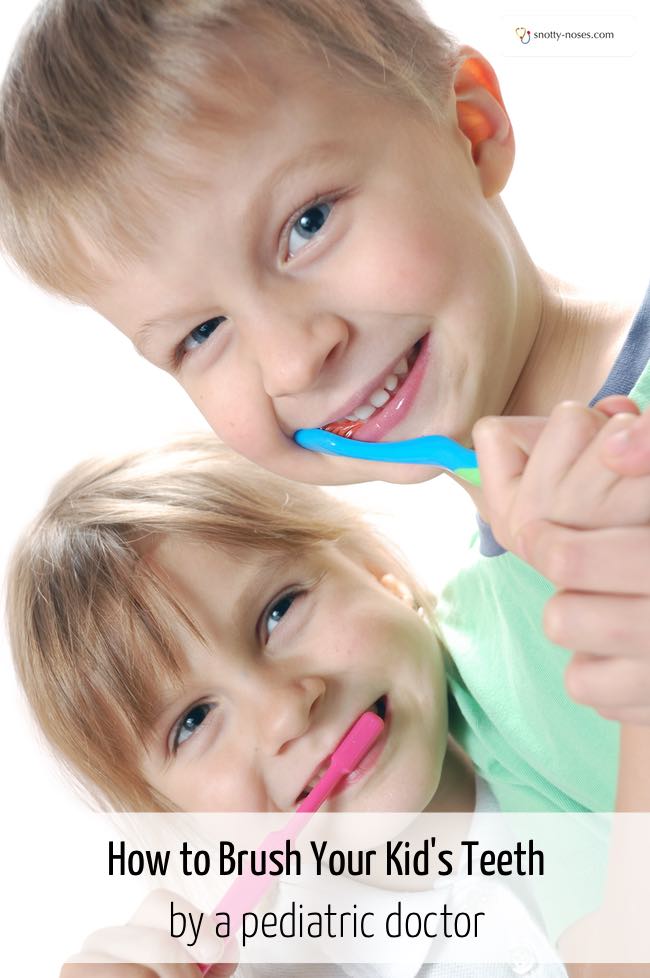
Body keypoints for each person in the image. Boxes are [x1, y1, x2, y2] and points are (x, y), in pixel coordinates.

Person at [1, 0, 649, 811]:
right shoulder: (480, 684)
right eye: (203, 332)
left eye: (306, 225)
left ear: (472, 127)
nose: (291, 359)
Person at [8, 433, 571, 978]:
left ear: (376, 567)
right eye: (193, 722)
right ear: (163, 808)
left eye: (279, 611)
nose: (284, 713)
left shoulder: (574, 674)